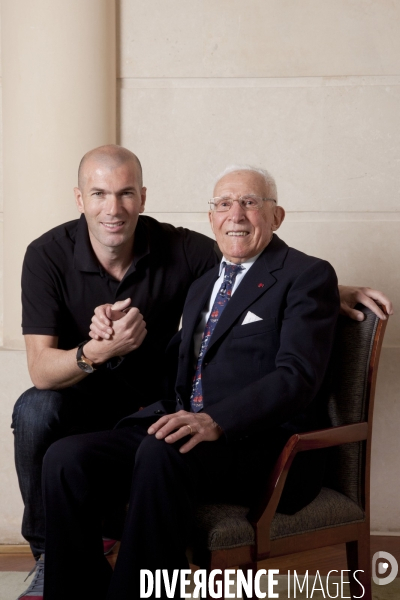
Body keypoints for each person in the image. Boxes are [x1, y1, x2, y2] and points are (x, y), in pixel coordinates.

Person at [14, 147, 392, 600]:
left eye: (250, 202)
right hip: (183, 424)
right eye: (223, 204)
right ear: (209, 218)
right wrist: (108, 338)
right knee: (65, 459)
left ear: (277, 215)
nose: (236, 214)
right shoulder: (204, 281)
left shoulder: (306, 276)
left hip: (259, 442)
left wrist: (215, 420)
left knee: (159, 451)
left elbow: (297, 378)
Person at [12, 145, 220, 599]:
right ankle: (51, 554)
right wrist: (95, 351)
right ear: (79, 198)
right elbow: (42, 371)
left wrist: (328, 289)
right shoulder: (46, 254)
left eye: (125, 194)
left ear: (143, 198)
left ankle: (113, 535)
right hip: (78, 405)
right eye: (100, 193)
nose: (113, 208)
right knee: (32, 409)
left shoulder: (179, 246)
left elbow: (250, 268)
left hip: (151, 408)